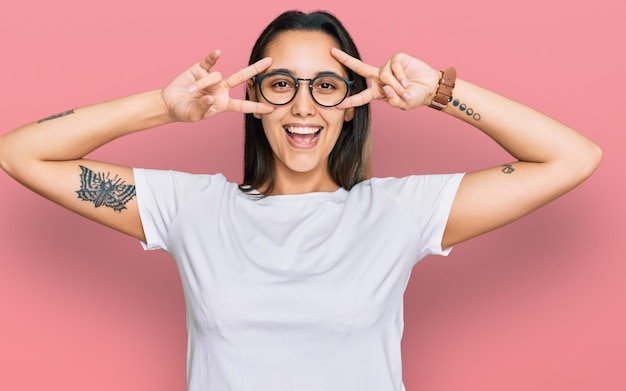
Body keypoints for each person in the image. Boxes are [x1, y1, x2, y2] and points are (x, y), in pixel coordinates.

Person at [0, 9, 601, 391]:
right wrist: (162, 108)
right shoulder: (190, 207)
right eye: (282, 84)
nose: (304, 107)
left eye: (327, 86)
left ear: (354, 100)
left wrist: (441, 92)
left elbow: (572, 158)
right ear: (252, 95)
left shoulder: (399, 213)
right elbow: (22, 152)